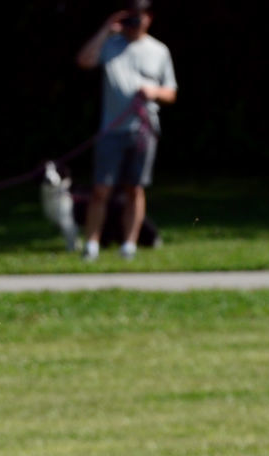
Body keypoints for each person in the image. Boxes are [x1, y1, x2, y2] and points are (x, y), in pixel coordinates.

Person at [75, 0, 177, 261]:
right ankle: (91, 245)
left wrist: (154, 91)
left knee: (135, 188)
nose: (135, 22)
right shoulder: (111, 44)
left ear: (149, 18)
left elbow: (171, 92)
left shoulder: (158, 50)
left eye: (139, 16)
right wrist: (106, 30)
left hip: (144, 130)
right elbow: (84, 61)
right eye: (131, 16)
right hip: (111, 129)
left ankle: (129, 246)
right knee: (101, 189)